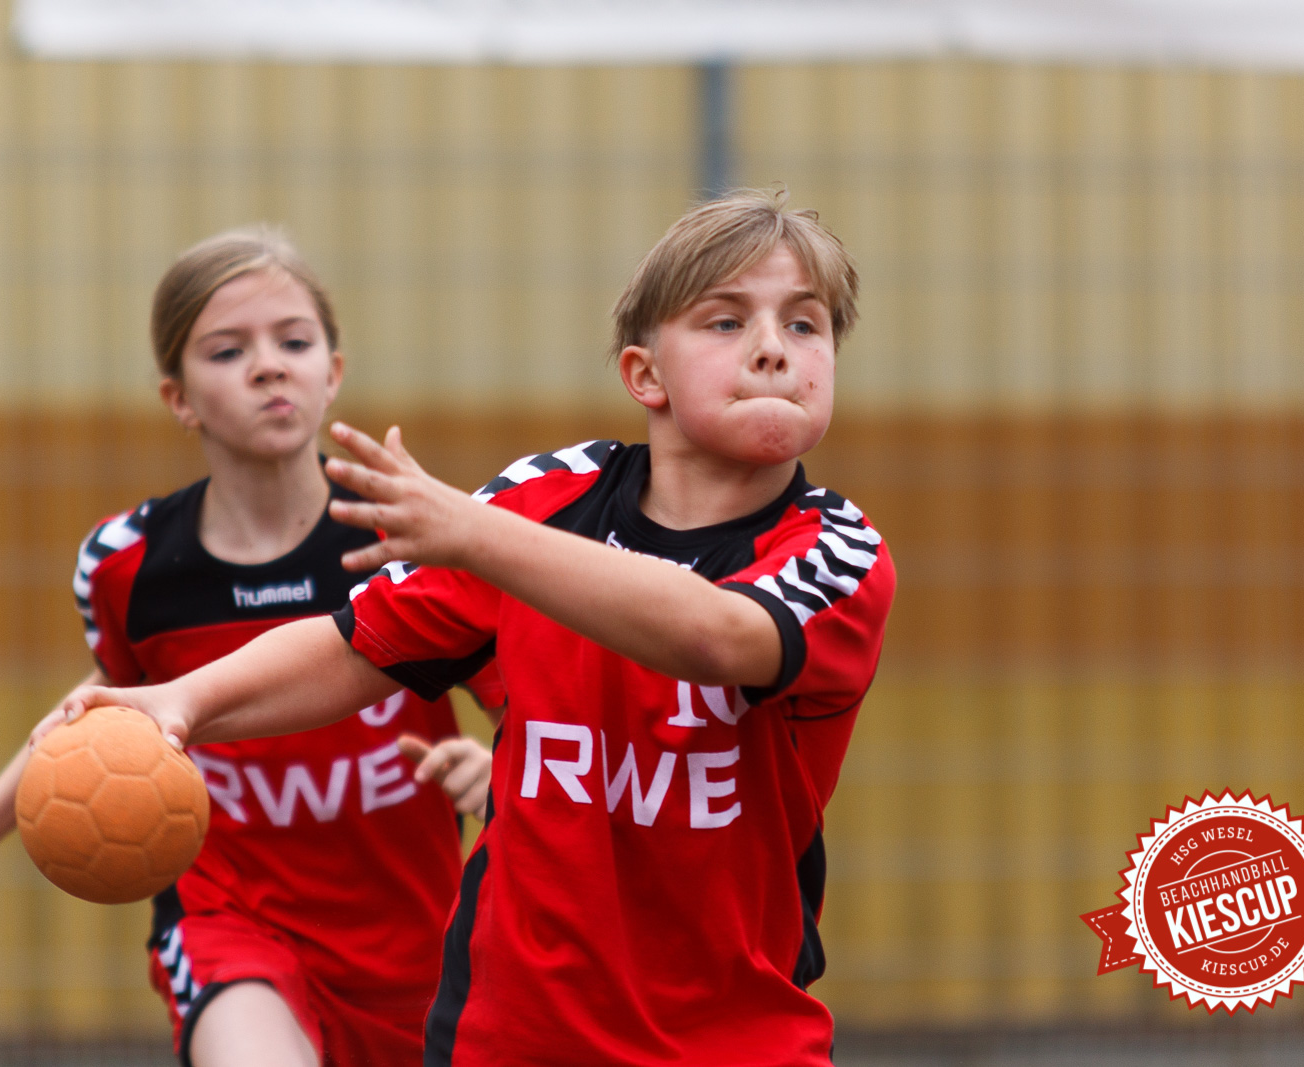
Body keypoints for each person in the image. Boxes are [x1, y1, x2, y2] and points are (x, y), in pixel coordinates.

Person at [54, 190, 896, 1066]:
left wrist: (480, 536)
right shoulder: (546, 497)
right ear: (644, 374)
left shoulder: (839, 550)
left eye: (806, 326)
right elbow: (357, 643)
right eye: (726, 322)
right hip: (512, 1034)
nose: (772, 347)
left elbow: (718, 636)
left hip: (734, 1037)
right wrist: (181, 701)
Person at [0, 227, 500, 1067]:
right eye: (226, 349)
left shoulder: (408, 536)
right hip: (228, 923)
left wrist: (501, 770)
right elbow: (101, 706)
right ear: (179, 397)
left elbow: (534, 698)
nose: (269, 365)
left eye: (294, 341)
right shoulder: (131, 564)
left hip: (415, 945)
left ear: (333, 372)